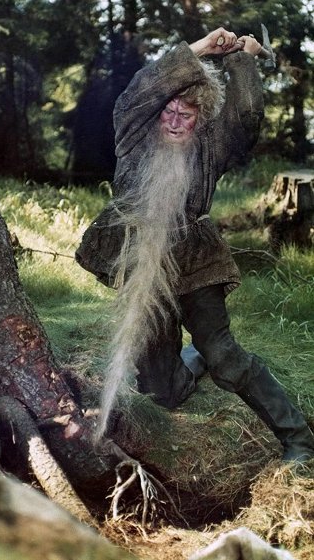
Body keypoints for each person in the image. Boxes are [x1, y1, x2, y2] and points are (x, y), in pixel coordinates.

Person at [75, 27, 314, 463]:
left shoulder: (211, 145)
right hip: (139, 255)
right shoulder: (133, 134)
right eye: (168, 111)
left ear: (201, 118)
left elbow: (244, 120)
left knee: (223, 355)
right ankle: (191, 361)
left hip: (196, 258)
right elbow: (142, 88)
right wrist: (201, 49)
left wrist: (243, 60)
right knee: (161, 391)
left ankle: (297, 438)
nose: (175, 121)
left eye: (186, 115)